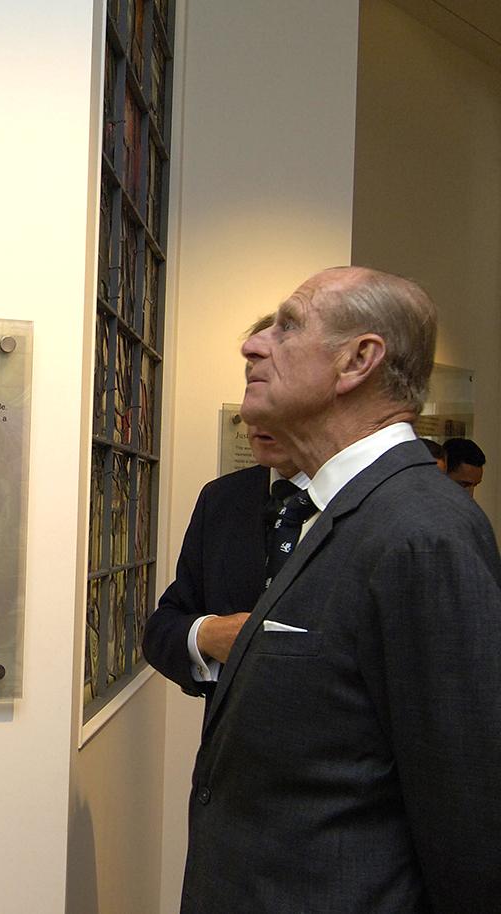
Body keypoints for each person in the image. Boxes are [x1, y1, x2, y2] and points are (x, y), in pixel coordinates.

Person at [182, 266, 501, 912]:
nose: (253, 345)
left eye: (289, 324)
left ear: (359, 360)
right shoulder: (336, 512)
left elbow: (469, 830)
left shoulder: (422, 530)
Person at [143, 416, 308, 697]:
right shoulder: (222, 498)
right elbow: (163, 627)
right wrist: (206, 634)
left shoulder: (368, 502)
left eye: (277, 401)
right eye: (253, 398)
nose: (261, 417)